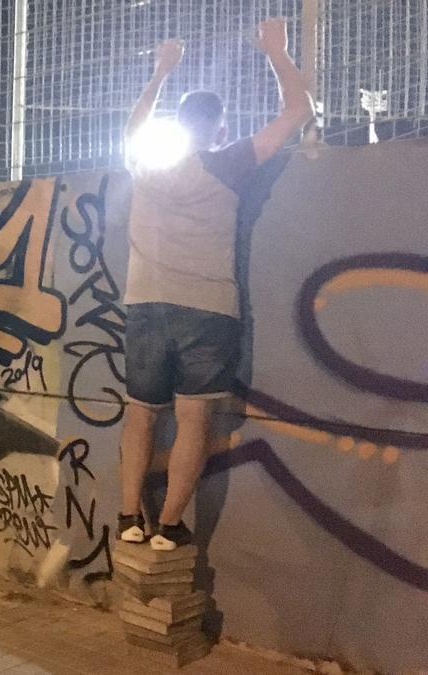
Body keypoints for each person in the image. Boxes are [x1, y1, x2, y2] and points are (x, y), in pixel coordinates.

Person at [118, 19, 313, 550]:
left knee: (140, 414)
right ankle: (170, 525)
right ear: (221, 130)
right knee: (194, 419)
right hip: (207, 308)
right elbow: (299, 114)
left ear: (177, 127)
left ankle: (129, 517)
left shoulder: (146, 165)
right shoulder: (230, 162)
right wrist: (277, 50)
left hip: (144, 303)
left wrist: (161, 71)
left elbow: (133, 128)